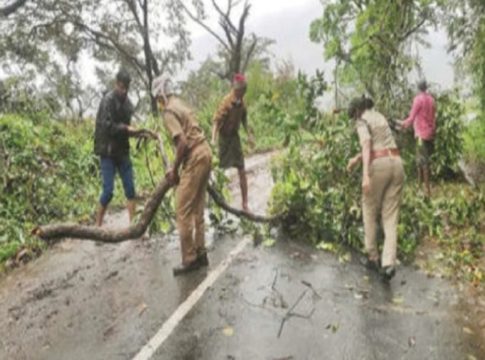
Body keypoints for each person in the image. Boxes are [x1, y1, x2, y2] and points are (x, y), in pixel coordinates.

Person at [152, 75, 212, 276]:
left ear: (161, 95)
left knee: (182, 208)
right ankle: (201, 252)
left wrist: (174, 170)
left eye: (158, 99)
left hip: (194, 156)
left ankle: (190, 259)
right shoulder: (180, 103)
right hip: (206, 152)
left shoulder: (169, 111)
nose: (159, 103)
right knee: (198, 208)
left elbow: (183, 143)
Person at [347, 97, 405, 281]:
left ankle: (372, 257)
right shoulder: (379, 116)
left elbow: (366, 144)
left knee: (369, 209)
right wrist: (357, 159)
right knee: (390, 216)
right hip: (396, 164)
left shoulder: (362, 120)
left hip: (378, 167)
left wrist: (365, 175)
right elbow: (381, 145)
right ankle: (388, 263)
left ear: (357, 110)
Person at [94, 69, 153, 227]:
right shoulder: (107, 101)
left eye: (126, 87)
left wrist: (140, 133)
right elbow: (108, 127)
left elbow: (128, 130)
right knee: (108, 192)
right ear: (116, 84)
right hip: (107, 151)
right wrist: (128, 129)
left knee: (130, 189)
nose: (123, 90)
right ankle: (97, 227)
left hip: (122, 151)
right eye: (121, 87)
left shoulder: (128, 105)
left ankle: (133, 226)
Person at [211, 73, 254, 213]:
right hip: (224, 139)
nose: (241, 94)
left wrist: (249, 134)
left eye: (243, 92)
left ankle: (245, 203)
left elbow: (244, 119)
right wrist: (213, 139)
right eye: (240, 91)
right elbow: (216, 121)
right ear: (236, 90)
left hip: (234, 139)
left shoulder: (242, 102)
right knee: (219, 171)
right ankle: (217, 202)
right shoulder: (226, 102)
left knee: (242, 169)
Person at [400, 80, 436, 197]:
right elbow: (434, 117)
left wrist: (402, 124)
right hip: (430, 134)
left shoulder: (418, 99)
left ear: (418, 88)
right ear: (426, 87)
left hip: (421, 134)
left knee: (423, 163)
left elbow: (411, 118)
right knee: (422, 161)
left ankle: (427, 191)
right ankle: (419, 188)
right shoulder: (431, 100)